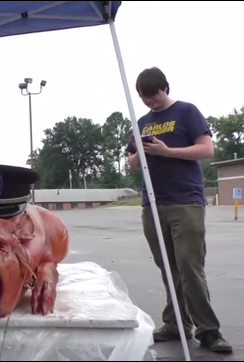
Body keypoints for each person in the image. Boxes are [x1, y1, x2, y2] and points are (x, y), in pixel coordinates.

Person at [125, 67, 232, 353]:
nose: (150, 102)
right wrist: (141, 153)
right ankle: (176, 323)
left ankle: (209, 330)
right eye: (144, 97)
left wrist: (167, 151)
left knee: (189, 267)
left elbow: (206, 149)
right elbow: (131, 163)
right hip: (152, 204)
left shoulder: (187, 112)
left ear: (165, 88)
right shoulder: (142, 122)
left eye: (153, 95)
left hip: (185, 202)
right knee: (168, 269)